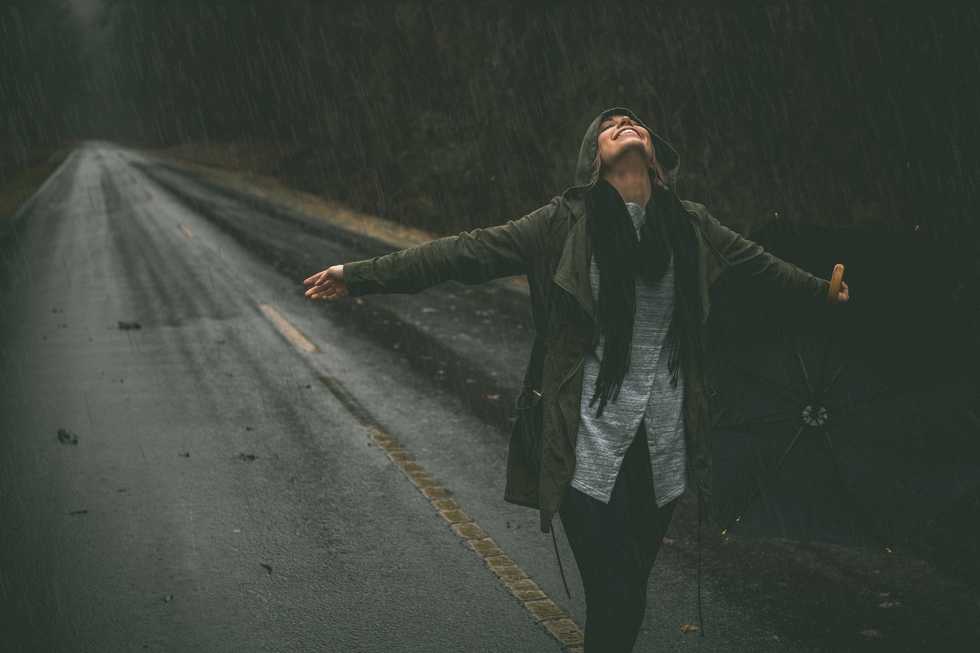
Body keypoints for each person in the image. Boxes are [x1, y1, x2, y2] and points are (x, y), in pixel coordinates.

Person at [303, 106, 849, 652]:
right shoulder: (562, 223)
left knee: (630, 593)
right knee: (612, 588)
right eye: (612, 125)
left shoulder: (690, 225)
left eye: (634, 122)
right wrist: (359, 277)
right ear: (595, 159)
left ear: (656, 158)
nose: (626, 124)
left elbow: (757, 265)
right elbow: (462, 254)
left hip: (659, 447)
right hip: (583, 441)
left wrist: (820, 290)